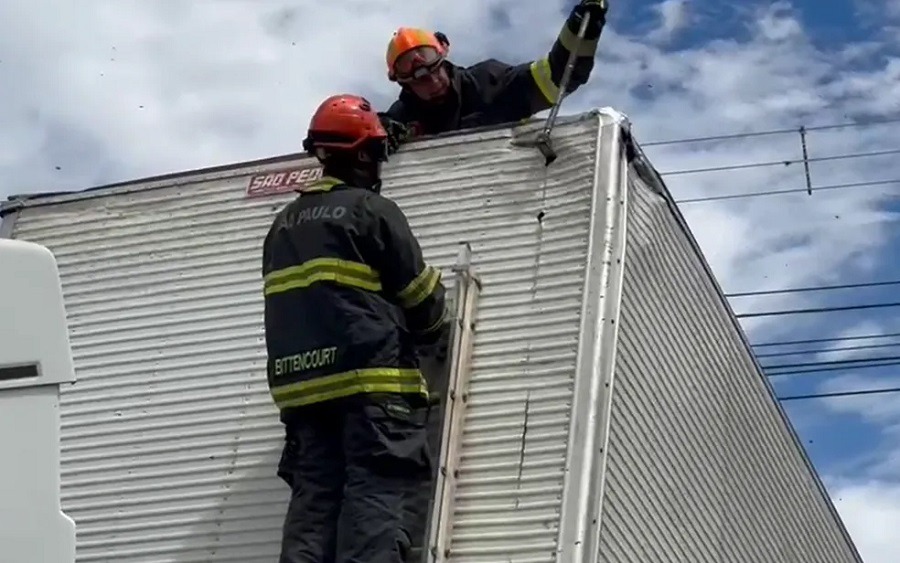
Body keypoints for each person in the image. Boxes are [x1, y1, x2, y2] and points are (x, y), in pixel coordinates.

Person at [262, 93, 449, 563]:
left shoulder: (282, 225)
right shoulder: (371, 211)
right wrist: (433, 330)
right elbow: (423, 301)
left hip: (302, 393)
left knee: (314, 501)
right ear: (364, 154)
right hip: (372, 386)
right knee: (374, 493)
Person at [378, 0, 610, 146]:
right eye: (422, 80)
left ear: (444, 54)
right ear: (404, 84)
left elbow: (557, 77)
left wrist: (580, 29)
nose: (434, 80)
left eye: (436, 69)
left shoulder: (488, 83)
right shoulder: (399, 121)